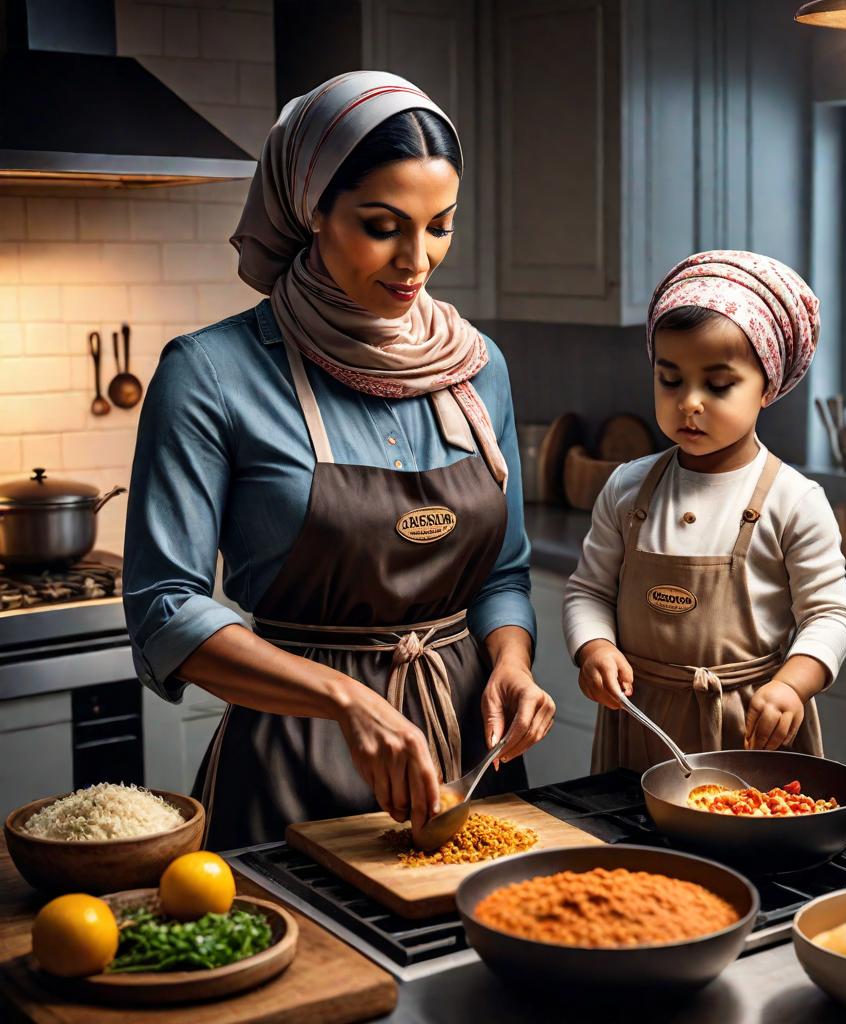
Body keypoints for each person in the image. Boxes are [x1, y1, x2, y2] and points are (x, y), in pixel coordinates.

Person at [123, 71, 555, 849]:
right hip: (292, 767)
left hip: (469, 766)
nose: (416, 260)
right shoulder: (211, 372)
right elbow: (166, 609)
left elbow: (503, 573)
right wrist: (347, 701)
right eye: (382, 225)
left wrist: (512, 663)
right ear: (310, 208)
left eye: (440, 225)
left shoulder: (477, 363)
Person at [562, 250, 846, 772]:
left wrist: (791, 685)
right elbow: (588, 591)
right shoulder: (627, 487)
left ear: (767, 386)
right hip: (639, 721)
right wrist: (594, 649)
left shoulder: (794, 500)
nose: (688, 402)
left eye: (718, 385)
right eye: (670, 379)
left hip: (749, 730)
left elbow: (828, 616)